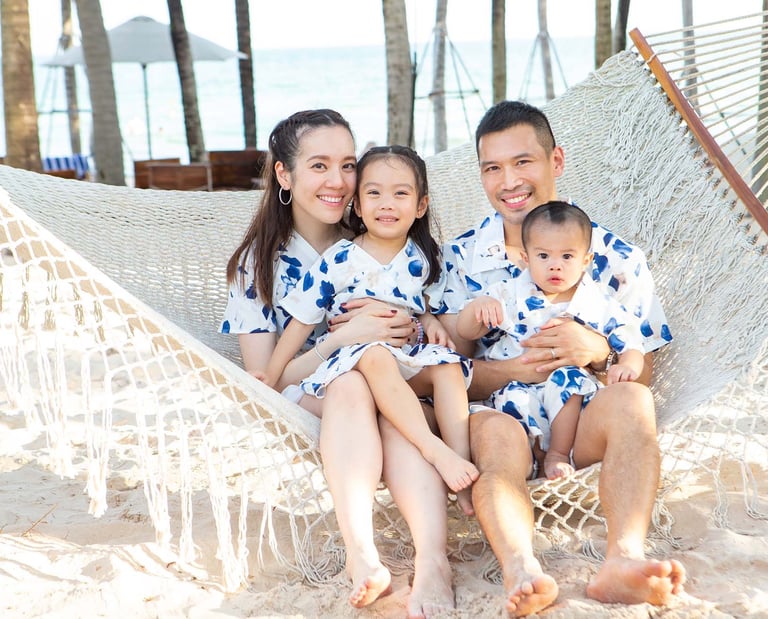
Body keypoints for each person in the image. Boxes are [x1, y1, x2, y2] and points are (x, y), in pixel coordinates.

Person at [437, 100, 686, 616]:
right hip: (506, 416)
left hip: (585, 415)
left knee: (634, 402)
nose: (509, 181)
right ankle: (522, 569)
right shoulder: (459, 260)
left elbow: (647, 370)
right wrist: (510, 371)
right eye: (492, 167)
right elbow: (435, 373)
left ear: (557, 161)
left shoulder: (616, 258)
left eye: (523, 161)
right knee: (493, 434)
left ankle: (623, 559)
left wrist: (598, 352)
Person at [220, 110, 457, 616]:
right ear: (285, 175)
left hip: (394, 382)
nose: (338, 181)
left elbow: (427, 304)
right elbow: (269, 379)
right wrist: (344, 340)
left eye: (348, 165)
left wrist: (412, 326)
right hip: (316, 396)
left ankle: (433, 561)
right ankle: (362, 556)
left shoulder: (383, 223)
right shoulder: (257, 265)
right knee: (353, 385)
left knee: (382, 396)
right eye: (319, 165)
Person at [264, 145, 478, 515]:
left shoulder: (427, 257)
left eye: (401, 193)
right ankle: (432, 447)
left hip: (407, 359)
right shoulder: (340, 258)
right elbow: (301, 321)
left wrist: (426, 322)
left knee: (447, 366)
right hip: (357, 361)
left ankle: (460, 471)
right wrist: (270, 374)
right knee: (375, 354)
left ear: (421, 205)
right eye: (374, 193)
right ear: (358, 206)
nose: (387, 204)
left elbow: (429, 308)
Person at [456, 200, 649, 480]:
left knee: (570, 381)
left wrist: (627, 366)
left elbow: (631, 341)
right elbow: (465, 331)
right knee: (513, 399)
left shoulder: (597, 302)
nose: (555, 266)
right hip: (516, 386)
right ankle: (530, 460)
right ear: (526, 258)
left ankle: (557, 454)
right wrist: (479, 309)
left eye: (567, 257)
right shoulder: (509, 293)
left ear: (586, 260)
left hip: (568, 400)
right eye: (544, 256)